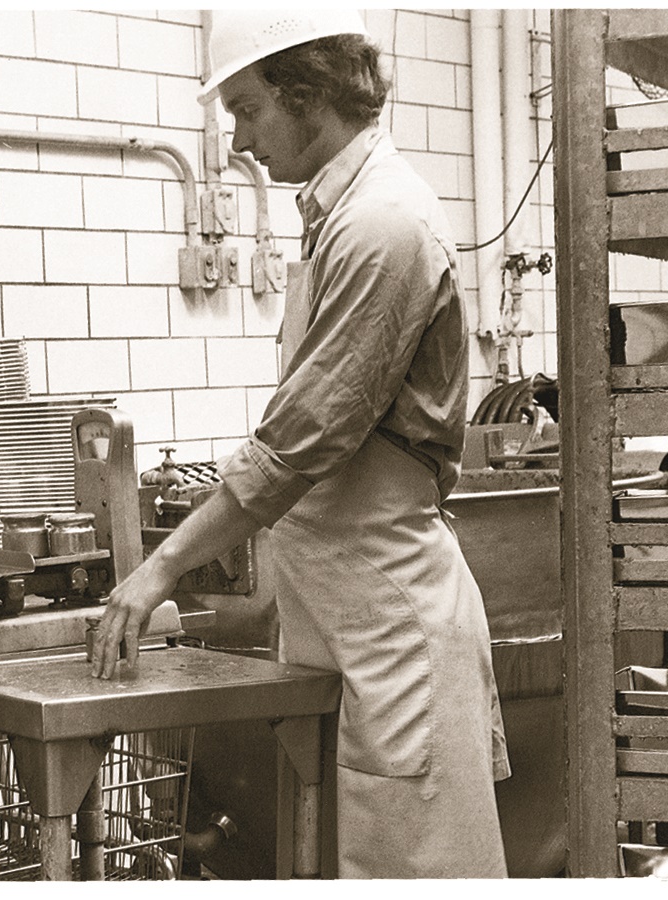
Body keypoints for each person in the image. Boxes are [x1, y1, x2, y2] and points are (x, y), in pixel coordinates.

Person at [89, 10, 510, 879]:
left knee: (413, 873)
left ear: (308, 95)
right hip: (340, 616)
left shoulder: (383, 227)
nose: (240, 140)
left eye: (247, 110)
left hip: (388, 620)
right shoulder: (337, 217)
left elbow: (295, 446)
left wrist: (160, 568)